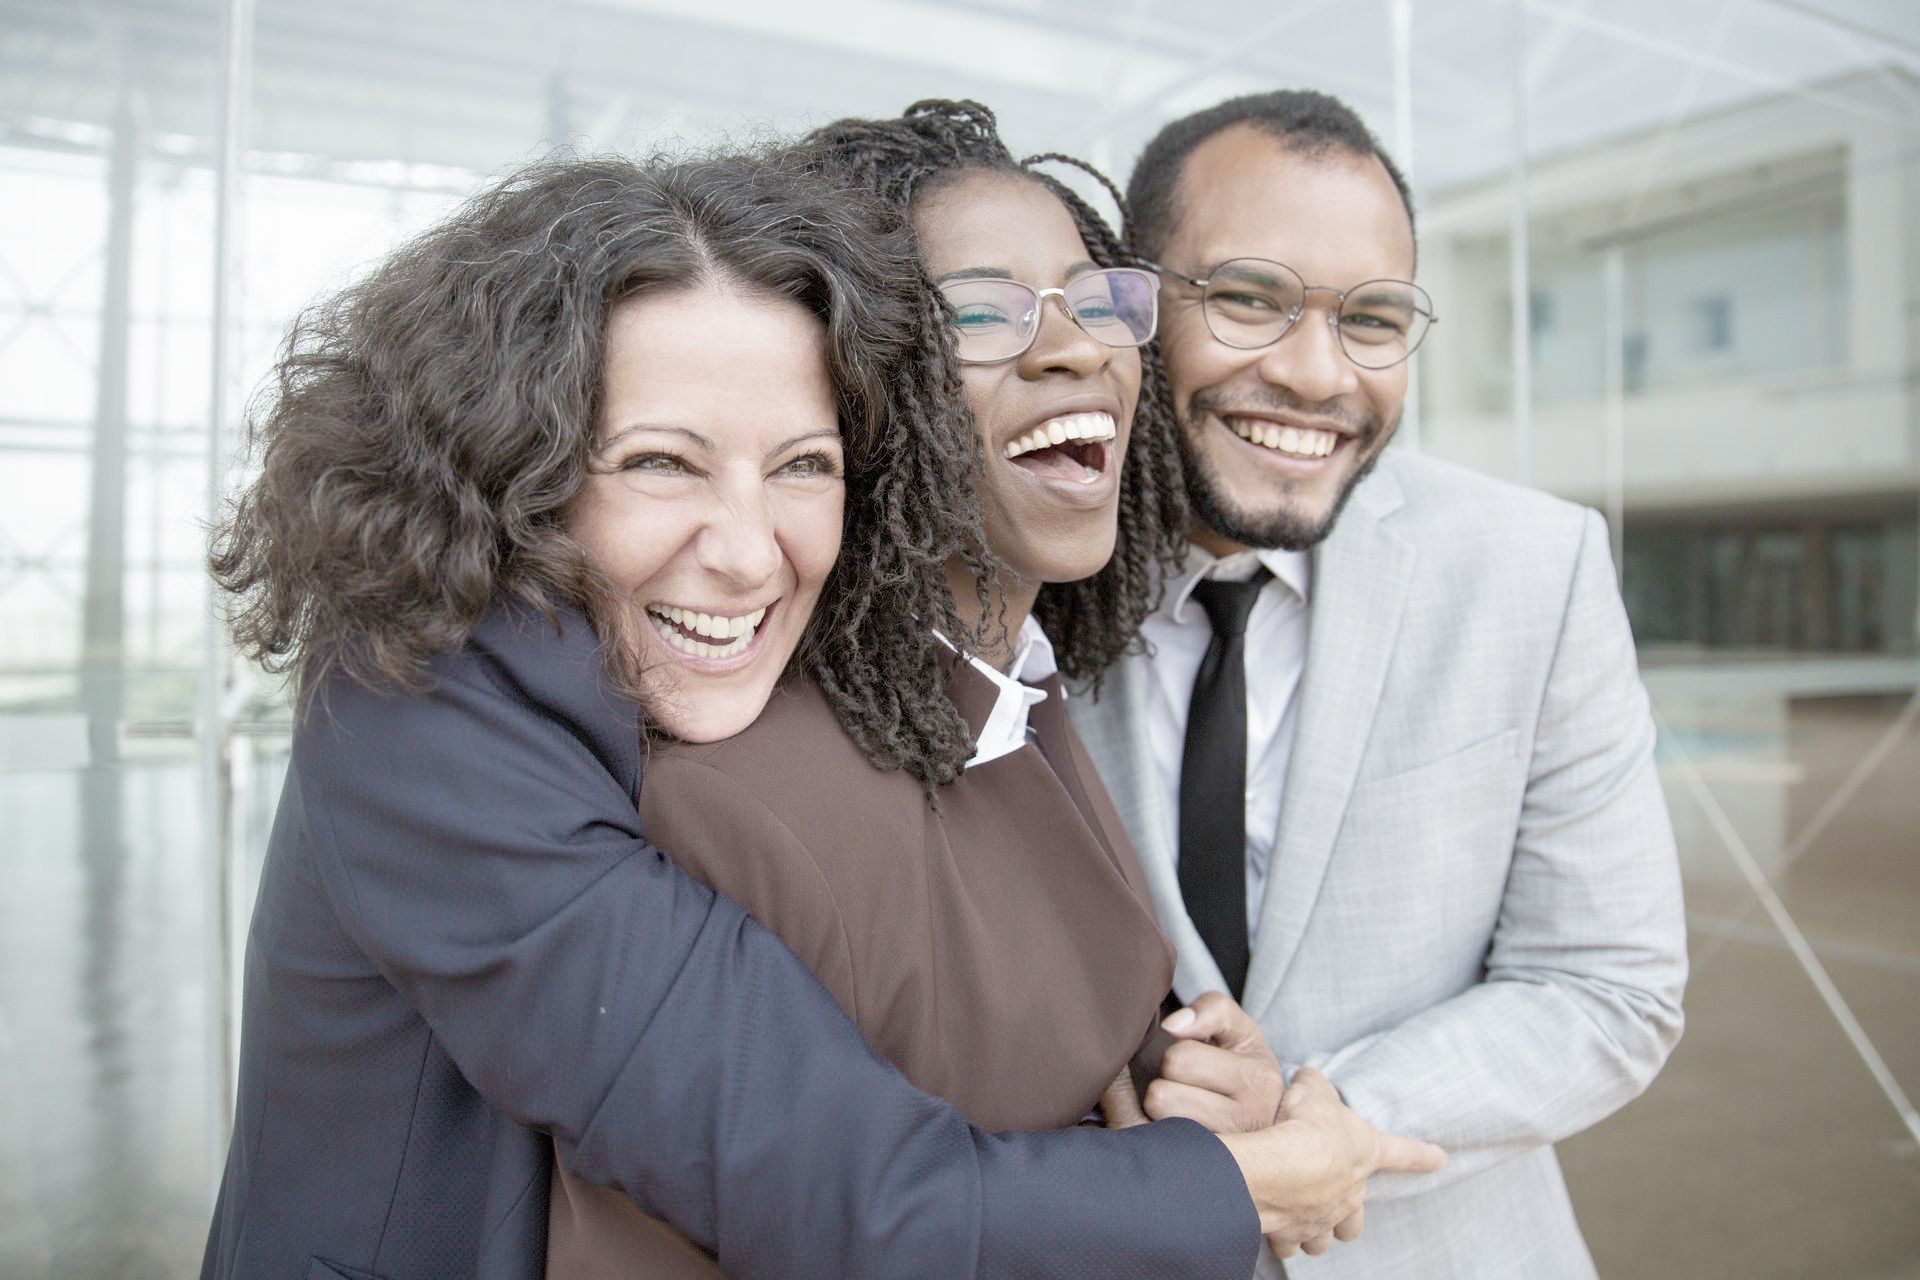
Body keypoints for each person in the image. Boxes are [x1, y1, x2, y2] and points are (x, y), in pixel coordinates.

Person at [199, 146, 1429, 1280]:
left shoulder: (940, 677)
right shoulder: (429, 711)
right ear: (514, 467)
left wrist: (1173, 1064)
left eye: (804, 463)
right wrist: (1238, 1181)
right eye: (662, 461)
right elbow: (845, 1183)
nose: (747, 554)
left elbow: (992, 968)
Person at [547, 99, 1437, 1276]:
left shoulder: (1021, 700)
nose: (1074, 347)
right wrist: (1211, 1184)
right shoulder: (741, 808)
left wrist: (1198, 1089)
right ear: (851, 385)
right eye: (978, 309)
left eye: (1097, 298)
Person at [1069, 89, 1690, 1278]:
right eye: (1250, 297)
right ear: (1131, 301)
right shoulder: (1013, 581)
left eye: (1373, 318)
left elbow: (1610, 986)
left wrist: (1329, 1115)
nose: (1315, 373)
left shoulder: (1533, 568)